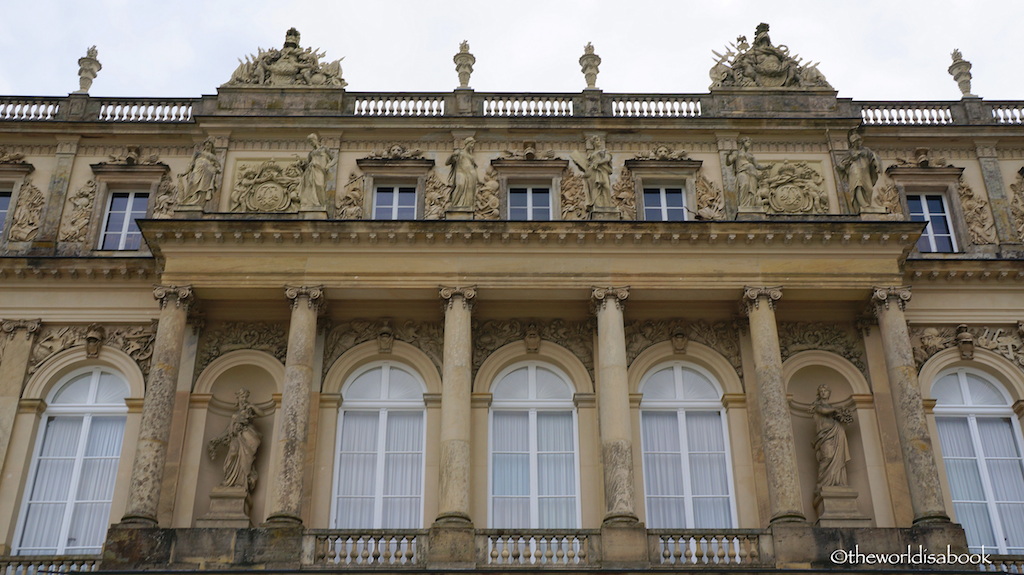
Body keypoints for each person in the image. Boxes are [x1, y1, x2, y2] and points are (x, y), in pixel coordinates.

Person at [208, 388, 266, 493]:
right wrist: (218, 438)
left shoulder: (249, 408)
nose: (244, 399)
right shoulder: (236, 413)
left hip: (247, 435)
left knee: (246, 458)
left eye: (245, 397)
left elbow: (262, 414)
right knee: (233, 453)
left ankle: (241, 482)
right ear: (238, 398)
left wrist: (252, 406)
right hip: (236, 437)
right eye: (242, 397)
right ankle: (229, 481)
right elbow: (229, 429)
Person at [810, 385, 853, 489]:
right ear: (819, 394)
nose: (824, 392)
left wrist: (842, 414)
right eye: (821, 391)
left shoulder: (832, 408)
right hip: (825, 435)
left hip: (836, 433)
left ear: (829, 393)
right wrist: (837, 410)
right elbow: (824, 411)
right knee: (827, 457)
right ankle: (822, 484)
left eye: (826, 391)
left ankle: (837, 481)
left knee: (838, 458)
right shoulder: (817, 405)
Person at [571, 136, 615, 214]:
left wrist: (598, 162)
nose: (599, 142)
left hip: (602, 171)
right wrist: (578, 163)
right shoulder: (591, 155)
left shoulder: (604, 151)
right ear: (593, 143)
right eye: (597, 140)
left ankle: (607, 205)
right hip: (593, 172)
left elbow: (607, 159)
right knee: (595, 189)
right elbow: (587, 167)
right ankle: (597, 205)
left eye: (599, 140)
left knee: (606, 187)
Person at [837, 131, 880, 212]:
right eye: (857, 141)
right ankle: (863, 204)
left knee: (869, 189)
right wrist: (847, 162)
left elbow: (873, 158)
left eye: (859, 141)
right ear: (853, 143)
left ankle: (866, 203)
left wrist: (876, 165)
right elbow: (841, 164)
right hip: (854, 169)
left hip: (865, 170)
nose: (859, 143)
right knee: (857, 186)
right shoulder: (850, 152)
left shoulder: (866, 150)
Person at [298, 133, 334, 209]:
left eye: (311, 141)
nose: (311, 144)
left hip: (321, 170)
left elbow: (334, 158)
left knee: (320, 185)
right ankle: (315, 203)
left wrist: (329, 165)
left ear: (315, 140)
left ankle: (322, 204)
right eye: (310, 142)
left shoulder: (324, 149)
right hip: (311, 170)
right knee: (311, 187)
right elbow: (307, 163)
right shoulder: (311, 153)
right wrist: (301, 163)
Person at [726, 137, 765, 208]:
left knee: (752, 190)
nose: (749, 144)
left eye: (750, 143)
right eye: (748, 142)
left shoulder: (750, 155)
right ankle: (743, 205)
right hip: (742, 172)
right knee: (745, 185)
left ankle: (750, 206)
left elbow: (757, 166)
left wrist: (767, 167)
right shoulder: (737, 153)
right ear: (743, 143)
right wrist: (728, 156)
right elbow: (729, 162)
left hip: (752, 173)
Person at [180, 139, 220, 206]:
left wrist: (216, 170)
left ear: (212, 146)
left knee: (202, 188)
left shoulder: (213, 157)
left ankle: (199, 202)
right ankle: (189, 200)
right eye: (206, 143)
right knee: (191, 183)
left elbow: (218, 166)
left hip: (207, 174)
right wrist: (184, 173)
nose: (208, 144)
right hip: (197, 170)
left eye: (209, 143)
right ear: (204, 145)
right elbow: (191, 164)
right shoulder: (198, 153)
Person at [446, 137, 477, 209]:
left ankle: (467, 207)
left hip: (471, 175)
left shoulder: (471, 156)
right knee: (460, 185)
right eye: (471, 144)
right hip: (461, 172)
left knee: (469, 189)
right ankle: (455, 205)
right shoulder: (459, 153)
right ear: (467, 144)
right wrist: (452, 155)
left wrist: (478, 180)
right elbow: (447, 163)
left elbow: (473, 167)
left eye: (473, 144)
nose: (472, 146)